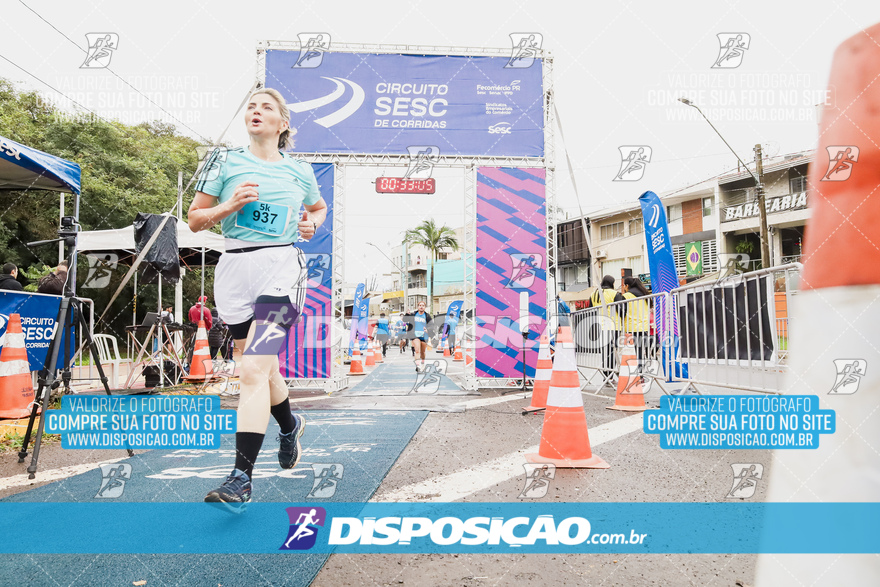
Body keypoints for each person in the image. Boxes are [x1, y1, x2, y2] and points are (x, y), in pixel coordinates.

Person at [188, 87, 328, 512]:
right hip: (233, 270)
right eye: (251, 106)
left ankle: (240, 479)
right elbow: (195, 221)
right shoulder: (223, 161)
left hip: (282, 272)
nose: (256, 111)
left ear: (283, 124)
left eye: (266, 107)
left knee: (251, 370)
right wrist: (228, 205)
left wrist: (311, 225)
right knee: (262, 371)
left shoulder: (300, 171)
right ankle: (289, 425)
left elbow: (318, 209)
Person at [590, 275, 626, 380]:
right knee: (613, 351)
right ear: (612, 283)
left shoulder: (594, 294)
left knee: (604, 351)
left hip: (599, 326)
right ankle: (610, 374)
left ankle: (606, 374)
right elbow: (621, 310)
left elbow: (590, 310)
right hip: (612, 326)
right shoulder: (614, 294)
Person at [622, 276, 652, 376]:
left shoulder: (627, 296)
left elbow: (623, 311)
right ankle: (641, 373)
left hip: (632, 327)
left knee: (632, 353)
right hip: (644, 327)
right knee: (640, 352)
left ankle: (636, 374)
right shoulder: (645, 295)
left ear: (627, 286)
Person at [411, 301, 434, 371]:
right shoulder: (414, 314)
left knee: (422, 352)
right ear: (418, 307)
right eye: (420, 305)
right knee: (417, 350)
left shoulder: (427, 316)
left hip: (424, 336)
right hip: (415, 335)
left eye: (423, 305)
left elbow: (432, 325)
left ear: (425, 307)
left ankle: (423, 363)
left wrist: (428, 329)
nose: (421, 306)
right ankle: (417, 365)